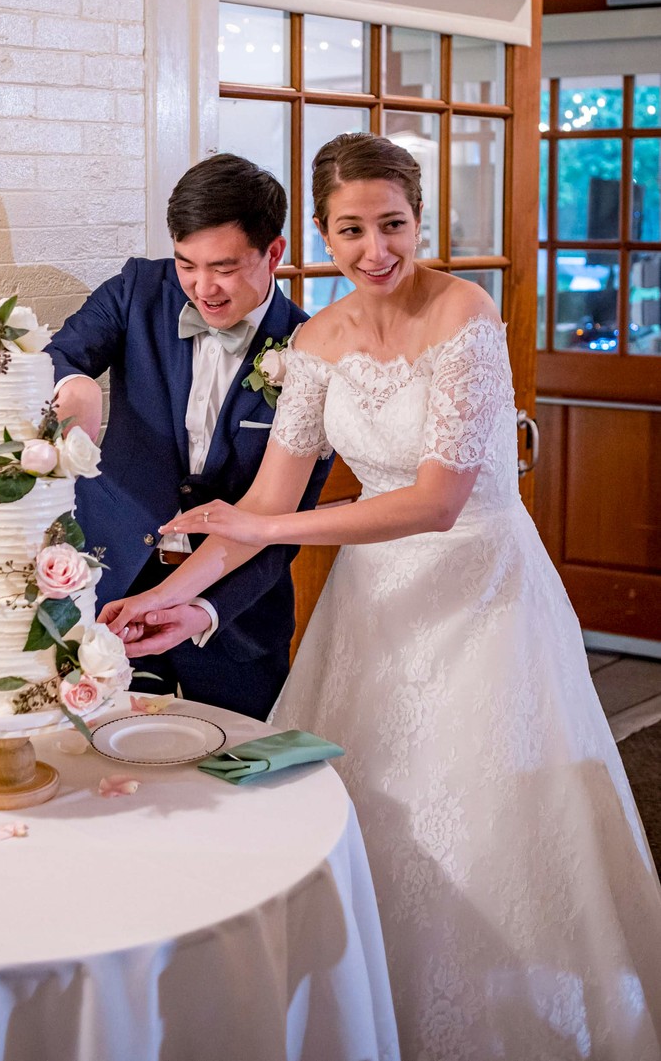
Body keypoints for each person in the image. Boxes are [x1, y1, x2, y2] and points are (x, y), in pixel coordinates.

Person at [102, 133, 661, 1059]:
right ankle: (363, 1013)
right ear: (321, 234)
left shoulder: (466, 313)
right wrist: (177, 595)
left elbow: (437, 501)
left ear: (419, 217)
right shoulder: (314, 342)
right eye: (352, 229)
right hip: (376, 610)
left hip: (483, 594)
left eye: (392, 224)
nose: (376, 250)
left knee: (485, 818)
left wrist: (261, 531)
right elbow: (261, 505)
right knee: (365, 808)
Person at [47, 153, 332, 720]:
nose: (204, 288)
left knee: (232, 783)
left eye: (224, 267)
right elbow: (56, 356)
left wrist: (205, 609)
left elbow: (282, 522)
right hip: (110, 587)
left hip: (235, 621)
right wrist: (76, 385)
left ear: (273, 252)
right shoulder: (136, 290)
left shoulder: (311, 349)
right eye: (186, 264)